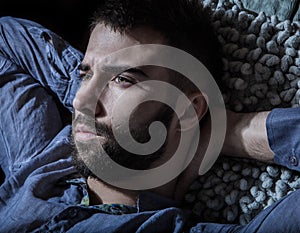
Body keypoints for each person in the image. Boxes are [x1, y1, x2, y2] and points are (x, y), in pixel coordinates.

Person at [0, 0, 299, 232]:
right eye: (85, 74)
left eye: (124, 79)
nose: (81, 100)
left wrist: (233, 131)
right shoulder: (39, 167)